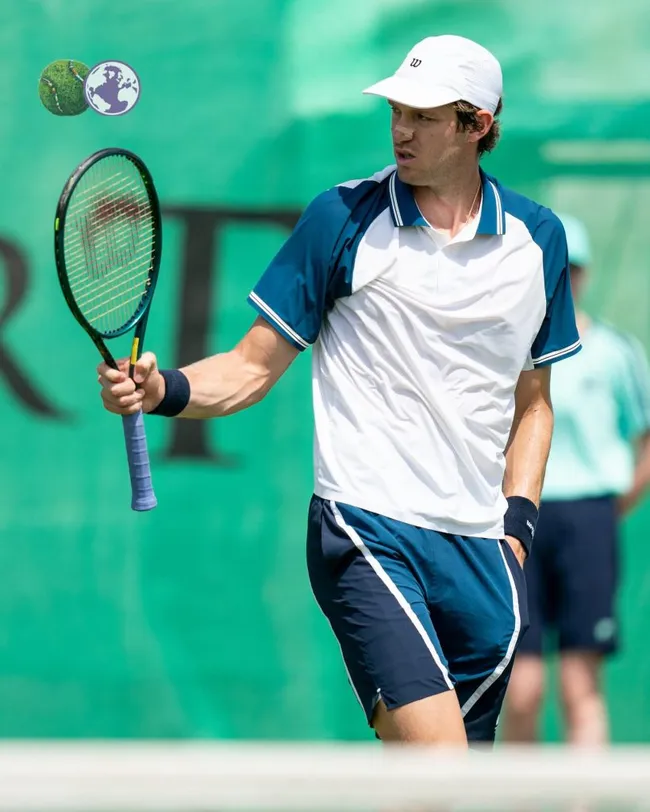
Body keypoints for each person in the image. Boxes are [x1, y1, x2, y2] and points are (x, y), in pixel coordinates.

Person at [97, 35, 581, 747]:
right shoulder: (341, 219)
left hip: (483, 552)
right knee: (441, 762)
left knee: (450, 790)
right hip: (367, 526)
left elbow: (534, 403)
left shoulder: (539, 241)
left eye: (423, 115)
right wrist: (163, 389)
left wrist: (516, 529)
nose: (401, 129)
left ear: (476, 124)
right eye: (396, 111)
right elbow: (250, 368)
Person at [503, 214, 650, 745]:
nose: (563, 280)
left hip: (588, 518)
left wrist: (608, 508)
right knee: (521, 689)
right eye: (552, 269)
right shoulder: (505, 351)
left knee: (580, 686)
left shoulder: (616, 352)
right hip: (518, 521)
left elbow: (645, 440)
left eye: (573, 269)